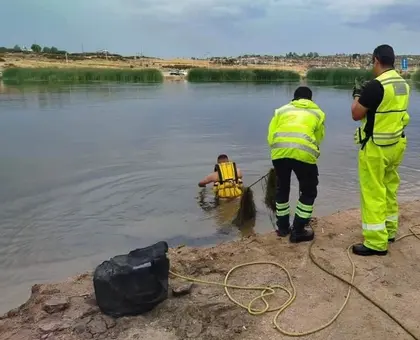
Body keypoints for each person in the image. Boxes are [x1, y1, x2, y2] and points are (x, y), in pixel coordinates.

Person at [351, 44, 410, 256]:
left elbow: (356, 114)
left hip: (376, 147)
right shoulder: (403, 83)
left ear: (376, 60)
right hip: (396, 144)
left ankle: (376, 242)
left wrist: (357, 94)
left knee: (373, 192)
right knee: (389, 188)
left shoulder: (376, 85)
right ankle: (390, 230)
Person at [267, 86, 326, 243]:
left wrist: (280, 151)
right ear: (311, 99)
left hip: (279, 153)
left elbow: (271, 135)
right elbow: (319, 138)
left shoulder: (281, 110)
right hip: (304, 153)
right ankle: (298, 230)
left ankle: (283, 228)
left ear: (294, 99)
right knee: (308, 191)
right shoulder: (318, 113)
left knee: (282, 188)